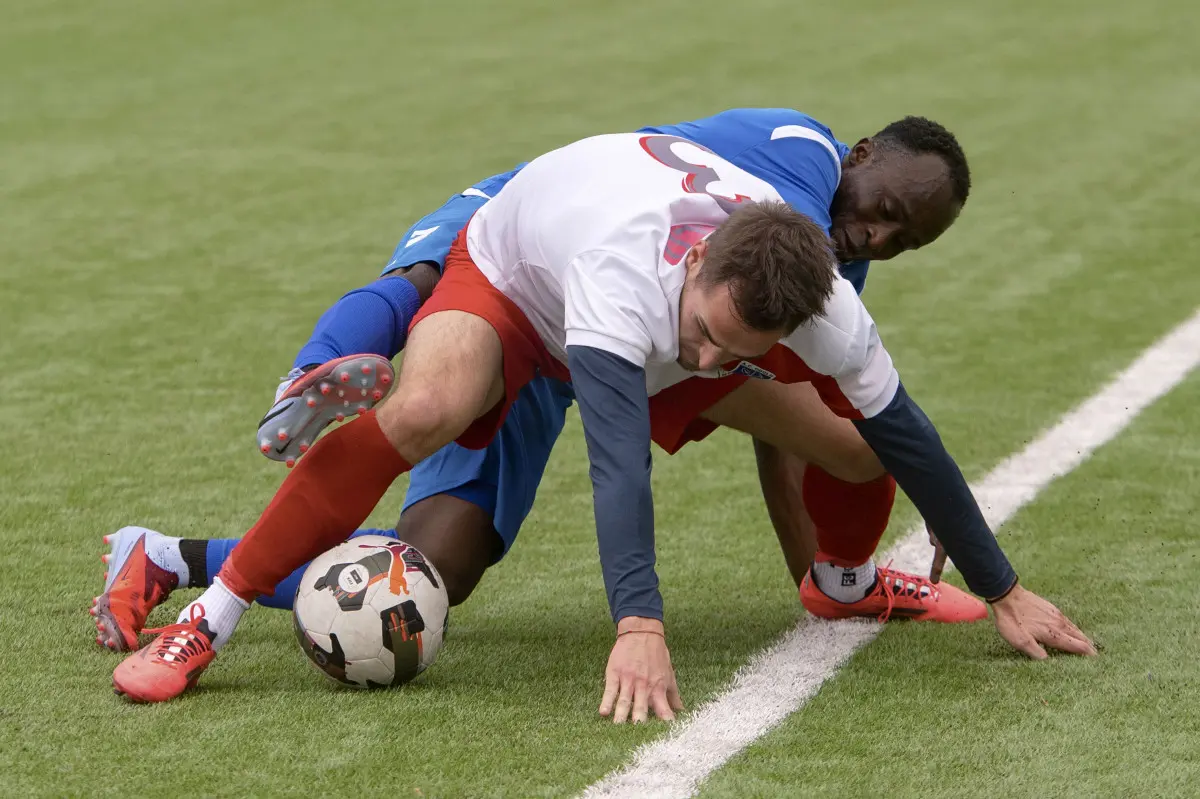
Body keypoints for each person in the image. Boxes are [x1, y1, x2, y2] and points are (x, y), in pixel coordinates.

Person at [108, 133, 1095, 716]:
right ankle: (205, 615)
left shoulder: (823, 301)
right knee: (428, 414)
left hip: (650, 318)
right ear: (698, 269)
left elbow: (913, 438)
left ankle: (842, 584)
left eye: (741, 349)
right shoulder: (630, 270)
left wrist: (1005, 588)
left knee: (858, 439)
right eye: (714, 334)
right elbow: (619, 472)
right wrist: (638, 624)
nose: (716, 363)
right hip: (518, 279)